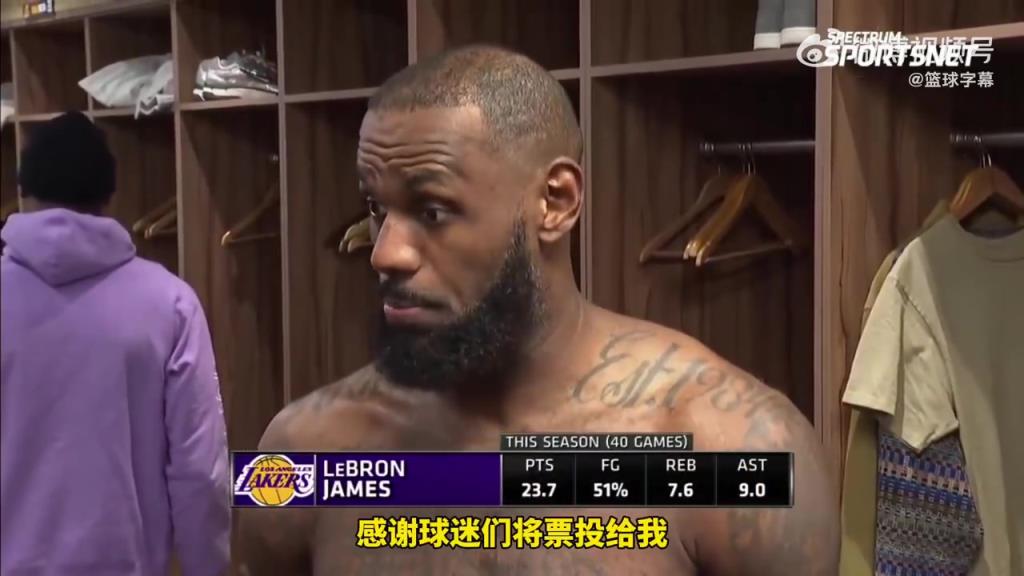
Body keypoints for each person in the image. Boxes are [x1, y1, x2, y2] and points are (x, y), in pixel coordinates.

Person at [240, 46, 839, 575]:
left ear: (555, 202)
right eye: (377, 209)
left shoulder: (732, 449)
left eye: (432, 211)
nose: (384, 253)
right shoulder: (304, 451)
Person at [0, 111, 230, 576]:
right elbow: (199, 469)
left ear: (24, 189)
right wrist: (207, 566)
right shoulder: (169, 303)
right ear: (109, 193)